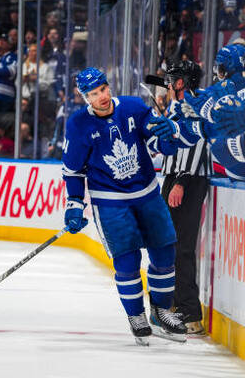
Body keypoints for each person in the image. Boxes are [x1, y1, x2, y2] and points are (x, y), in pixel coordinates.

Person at [62, 67, 188, 345]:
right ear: (86, 98)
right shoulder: (78, 124)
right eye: (94, 94)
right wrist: (74, 204)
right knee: (128, 260)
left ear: (109, 87)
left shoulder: (132, 106)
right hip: (110, 201)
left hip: (146, 193)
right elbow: (73, 171)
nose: (102, 97)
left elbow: (158, 142)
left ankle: (162, 311)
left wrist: (168, 138)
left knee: (164, 253)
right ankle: (136, 316)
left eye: (103, 89)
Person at [159, 61, 211, 335]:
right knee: (170, 244)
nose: (167, 82)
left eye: (172, 78)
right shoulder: (177, 105)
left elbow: (198, 140)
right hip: (176, 176)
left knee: (182, 246)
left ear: (182, 82)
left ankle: (189, 311)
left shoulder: (191, 103)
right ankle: (178, 305)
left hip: (187, 179)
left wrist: (180, 181)